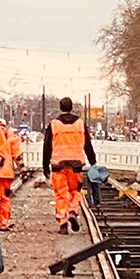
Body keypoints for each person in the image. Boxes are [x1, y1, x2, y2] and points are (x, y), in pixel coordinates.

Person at [43, 97, 96, 234]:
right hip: (76, 165)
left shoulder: (54, 125)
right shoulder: (80, 124)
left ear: (60, 107)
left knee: (60, 194)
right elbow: (87, 144)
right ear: (71, 107)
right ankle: (73, 210)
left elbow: (47, 147)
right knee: (75, 191)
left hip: (58, 166)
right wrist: (93, 161)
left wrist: (45, 166)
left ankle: (63, 223)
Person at [0, 118, 22, 230]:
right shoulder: (11, 137)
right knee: (5, 198)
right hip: (6, 173)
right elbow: (17, 156)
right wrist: (21, 169)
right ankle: (4, 222)